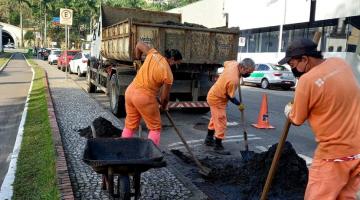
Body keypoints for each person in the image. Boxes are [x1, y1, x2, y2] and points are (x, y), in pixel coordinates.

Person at [280, 38, 360, 200]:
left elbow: (297, 119)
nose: (292, 69)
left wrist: (289, 109)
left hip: (333, 157)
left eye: (293, 65)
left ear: (305, 59)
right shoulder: (340, 63)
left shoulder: (306, 81)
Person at [121, 41, 182, 146]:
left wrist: (138, 59)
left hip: (130, 92)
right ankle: (152, 152)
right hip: (144, 97)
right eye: (177, 63)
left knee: (130, 124)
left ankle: (122, 148)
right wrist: (163, 106)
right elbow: (165, 97)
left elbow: (139, 44)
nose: (176, 65)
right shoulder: (168, 74)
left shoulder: (153, 53)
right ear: (172, 59)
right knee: (155, 127)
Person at [204, 58, 255, 151]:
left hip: (215, 94)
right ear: (242, 68)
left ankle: (208, 139)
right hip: (217, 99)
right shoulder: (233, 80)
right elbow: (229, 96)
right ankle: (218, 145)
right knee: (221, 122)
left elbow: (225, 62)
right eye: (248, 72)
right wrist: (239, 104)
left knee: (215, 119)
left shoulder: (233, 63)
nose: (249, 74)